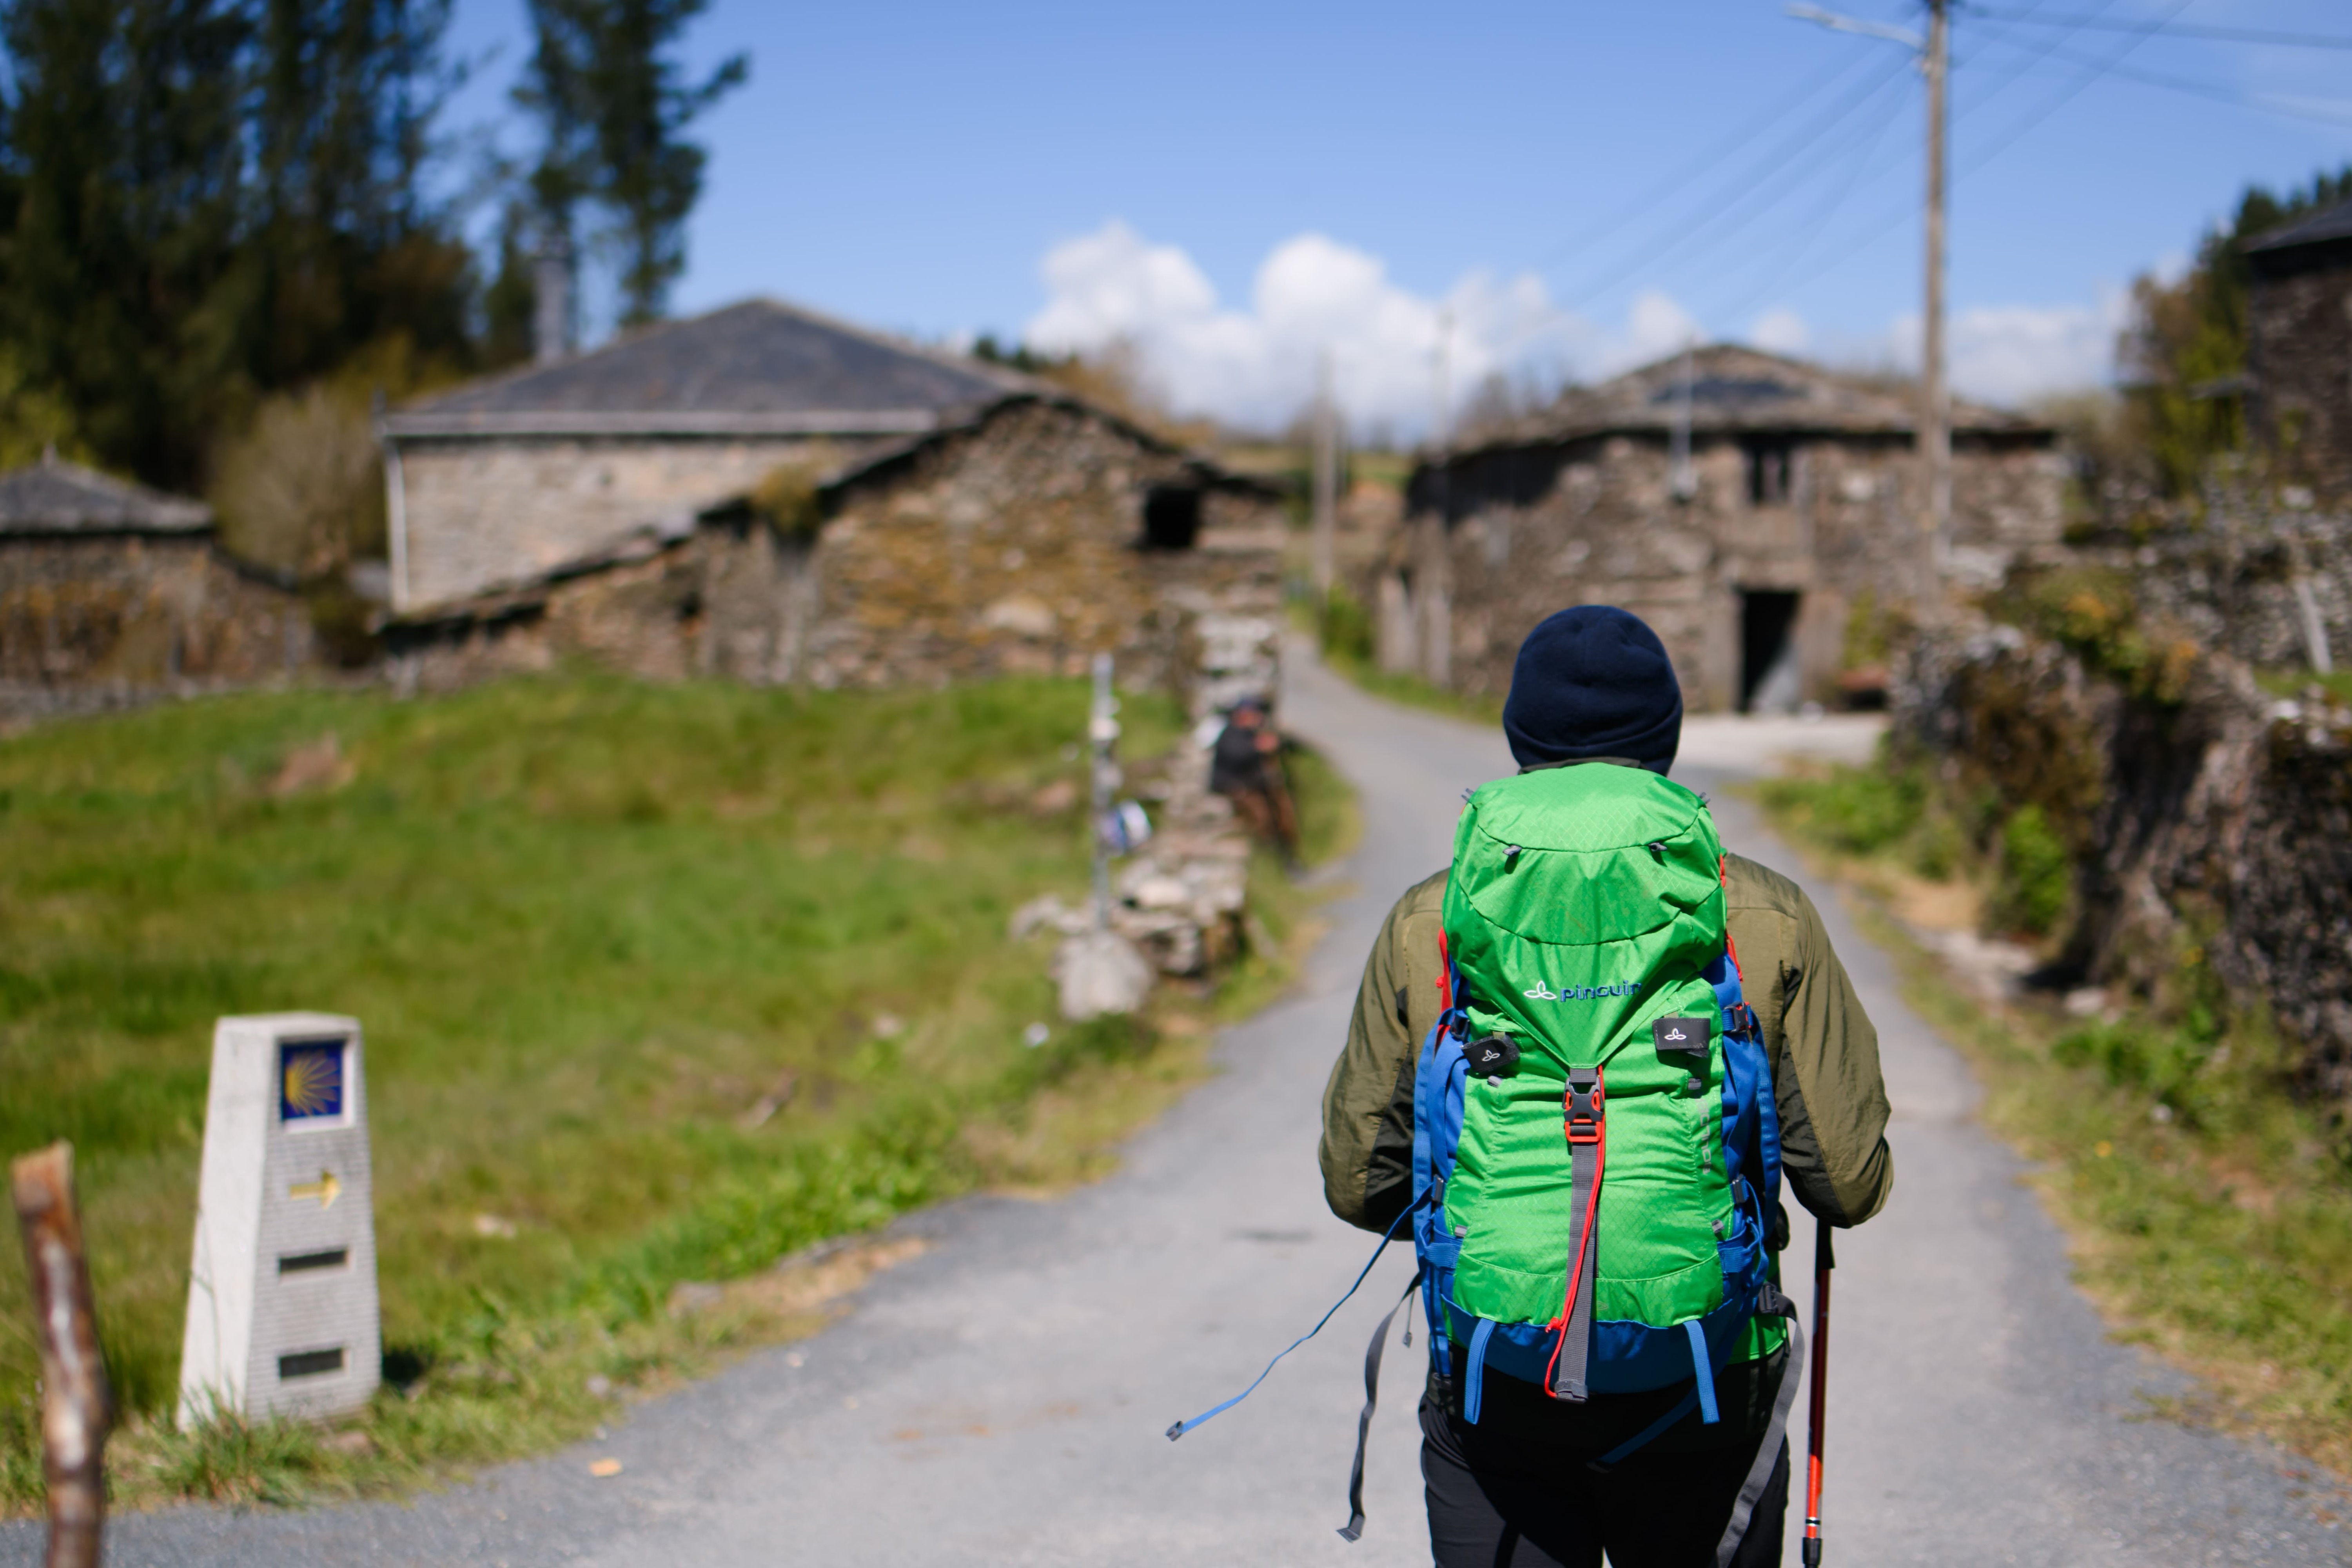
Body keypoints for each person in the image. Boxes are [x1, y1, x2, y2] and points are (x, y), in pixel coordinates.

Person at [1317, 604, 1894, 1568]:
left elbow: (1357, 1183)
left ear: (1517, 737)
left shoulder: (1435, 918)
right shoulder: (1763, 911)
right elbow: (1847, 1183)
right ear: (1664, 739)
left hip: (1496, 1380)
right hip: (1706, 1384)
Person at [1209, 695, 1298, 860]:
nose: (1258, 718)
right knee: (1262, 815)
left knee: (1282, 808)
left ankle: (1286, 853)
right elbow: (1238, 752)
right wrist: (1259, 746)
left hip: (1251, 785)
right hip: (1234, 787)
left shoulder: (1250, 734)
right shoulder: (1231, 733)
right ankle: (1271, 855)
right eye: (1254, 714)